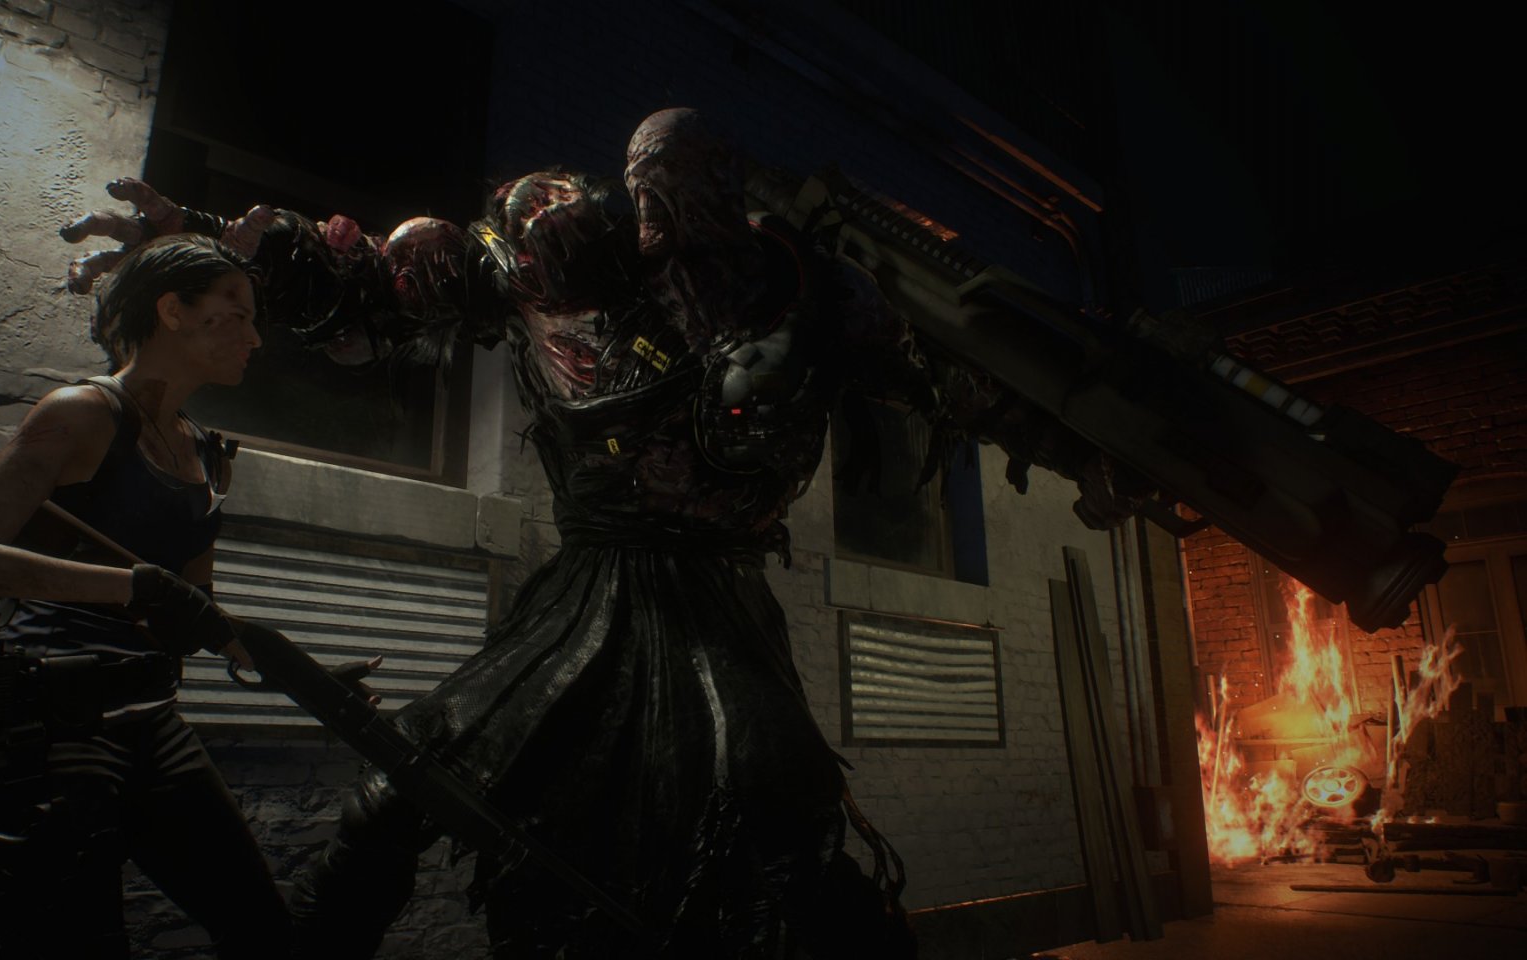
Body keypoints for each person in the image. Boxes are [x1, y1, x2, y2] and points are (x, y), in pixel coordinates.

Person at [60, 109, 1141, 959]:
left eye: (689, 204)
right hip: (589, 593)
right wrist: (198, 250)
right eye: (652, 203)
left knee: (776, 819)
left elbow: (961, 373)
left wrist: (1089, 437)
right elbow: (370, 281)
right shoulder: (558, 257)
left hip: (718, 599)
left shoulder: (808, 292)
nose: (669, 230)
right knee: (405, 789)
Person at [0, 234, 293, 959]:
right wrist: (130, 585)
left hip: (153, 723)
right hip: (52, 724)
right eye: (237, 314)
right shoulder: (81, 413)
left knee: (265, 932)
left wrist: (295, 674)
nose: (255, 338)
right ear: (172, 310)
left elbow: (194, 605)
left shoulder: (208, 455)